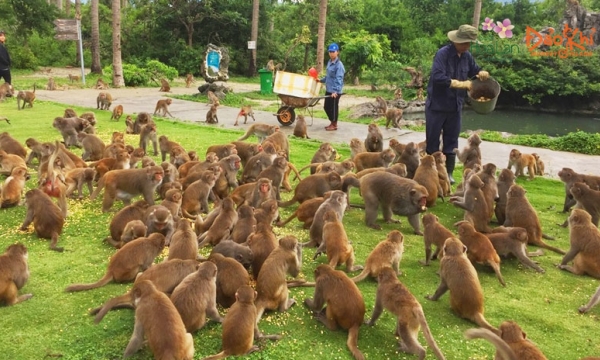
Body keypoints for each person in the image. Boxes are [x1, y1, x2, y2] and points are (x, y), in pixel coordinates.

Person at [425, 24, 489, 184]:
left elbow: (475, 70)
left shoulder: (467, 56)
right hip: (437, 105)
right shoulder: (443, 54)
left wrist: (481, 72)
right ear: (457, 41)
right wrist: (460, 84)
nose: (468, 46)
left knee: (452, 140)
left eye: (469, 43)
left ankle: (449, 173)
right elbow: (437, 77)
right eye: (466, 43)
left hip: (455, 106)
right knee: (432, 141)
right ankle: (431, 173)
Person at [320, 42, 345, 131]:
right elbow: (328, 76)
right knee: (326, 107)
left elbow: (339, 79)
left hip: (335, 91)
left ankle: (334, 124)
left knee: (334, 108)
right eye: (330, 52)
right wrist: (320, 80)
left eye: (333, 51)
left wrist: (335, 91)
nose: (331, 53)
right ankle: (332, 122)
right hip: (329, 89)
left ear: (337, 52)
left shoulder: (339, 65)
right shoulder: (329, 62)